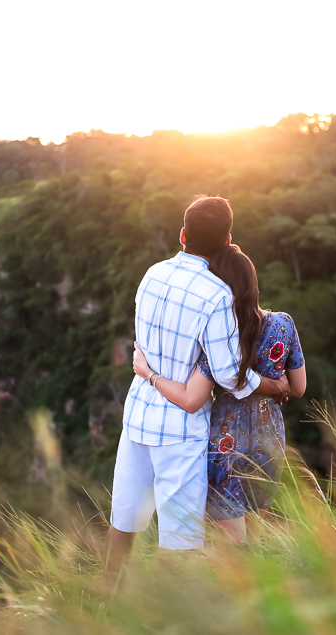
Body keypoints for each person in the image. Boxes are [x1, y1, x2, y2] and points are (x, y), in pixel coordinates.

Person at [105, 196, 289, 587]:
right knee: (181, 539)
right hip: (180, 430)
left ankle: (105, 597)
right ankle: (170, 611)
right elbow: (228, 375)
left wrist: (150, 373)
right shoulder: (218, 295)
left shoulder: (152, 274)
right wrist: (272, 385)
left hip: (138, 415)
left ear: (183, 235)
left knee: (124, 519)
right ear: (228, 240)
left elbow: (145, 346)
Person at [133, 243, 306, 544]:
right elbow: (299, 388)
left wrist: (148, 373)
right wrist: (276, 383)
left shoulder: (220, 336)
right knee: (255, 540)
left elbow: (191, 398)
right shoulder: (283, 324)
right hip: (268, 436)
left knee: (233, 549)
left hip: (226, 441)